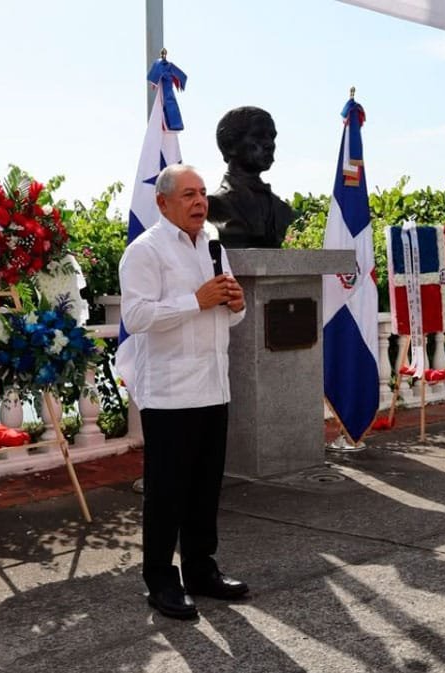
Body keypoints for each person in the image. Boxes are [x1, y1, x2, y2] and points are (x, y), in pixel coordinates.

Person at [119, 164, 249, 620]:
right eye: (189, 194)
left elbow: (229, 313)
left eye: (202, 193)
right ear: (163, 202)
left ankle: (200, 569)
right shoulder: (144, 251)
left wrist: (236, 304)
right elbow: (135, 317)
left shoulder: (212, 246)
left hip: (214, 385)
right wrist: (196, 300)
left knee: (205, 489)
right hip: (170, 393)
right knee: (167, 492)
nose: (200, 202)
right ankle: (160, 579)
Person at [207, 106, 295, 248]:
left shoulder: (282, 209)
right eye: (258, 136)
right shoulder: (213, 206)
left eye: (272, 137)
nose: (269, 144)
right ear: (230, 144)